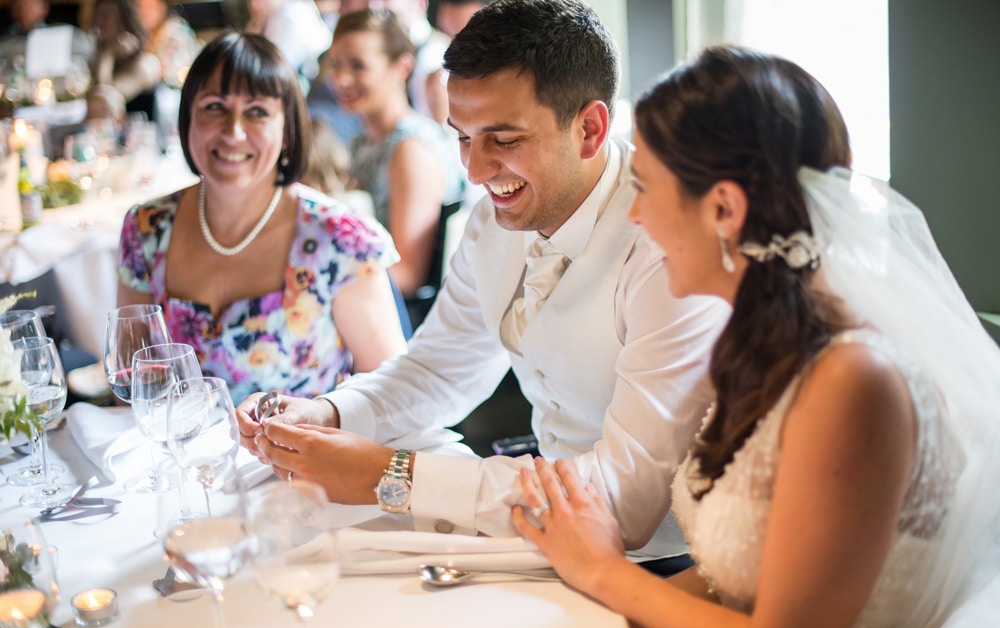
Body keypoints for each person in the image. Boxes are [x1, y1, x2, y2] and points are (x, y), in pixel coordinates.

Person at [510, 45, 1000, 628]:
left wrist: (604, 571)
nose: (635, 215)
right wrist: (565, 627)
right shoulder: (766, 349)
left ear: (723, 209)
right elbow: (737, 583)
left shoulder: (853, 379)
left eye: (645, 189)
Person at [237, 0, 727, 575]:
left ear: (590, 128)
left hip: (669, 566)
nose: (475, 169)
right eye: (464, 137)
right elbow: (440, 367)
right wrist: (330, 413)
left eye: (505, 139)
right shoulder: (492, 221)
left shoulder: (669, 247)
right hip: (538, 523)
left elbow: (626, 500)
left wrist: (390, 474)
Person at [116, 32, 406, 404]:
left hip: (302, 457)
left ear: (287, 130)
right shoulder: (146, 228)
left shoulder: (342, 238)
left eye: (257, 112)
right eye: (214, 106)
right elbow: (133, 382)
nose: (234, 131)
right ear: (186, 118)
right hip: (180, 457)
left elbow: (390, 395)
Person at [326, 8, 463, 297]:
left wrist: (324, 281)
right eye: (335, 64)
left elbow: (408, 274)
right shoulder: (363, 141)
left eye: (357, 66)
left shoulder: (411, 149)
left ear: (402, 67)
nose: (341, 79)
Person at [87, 0, 160, 121]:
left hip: (139, 137)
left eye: (105, 16)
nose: (98, 23)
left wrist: (107, 55)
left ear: (124, 21)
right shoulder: (101, 57)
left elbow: (102, 101)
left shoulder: (144, 65)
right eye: (97, 16)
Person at [134, 0, 200, 89]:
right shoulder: (136, 34)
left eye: (150, 7)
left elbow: (181, 70)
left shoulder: (174, 30)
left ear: (161, 8)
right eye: (140, 7)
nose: (144, 12)